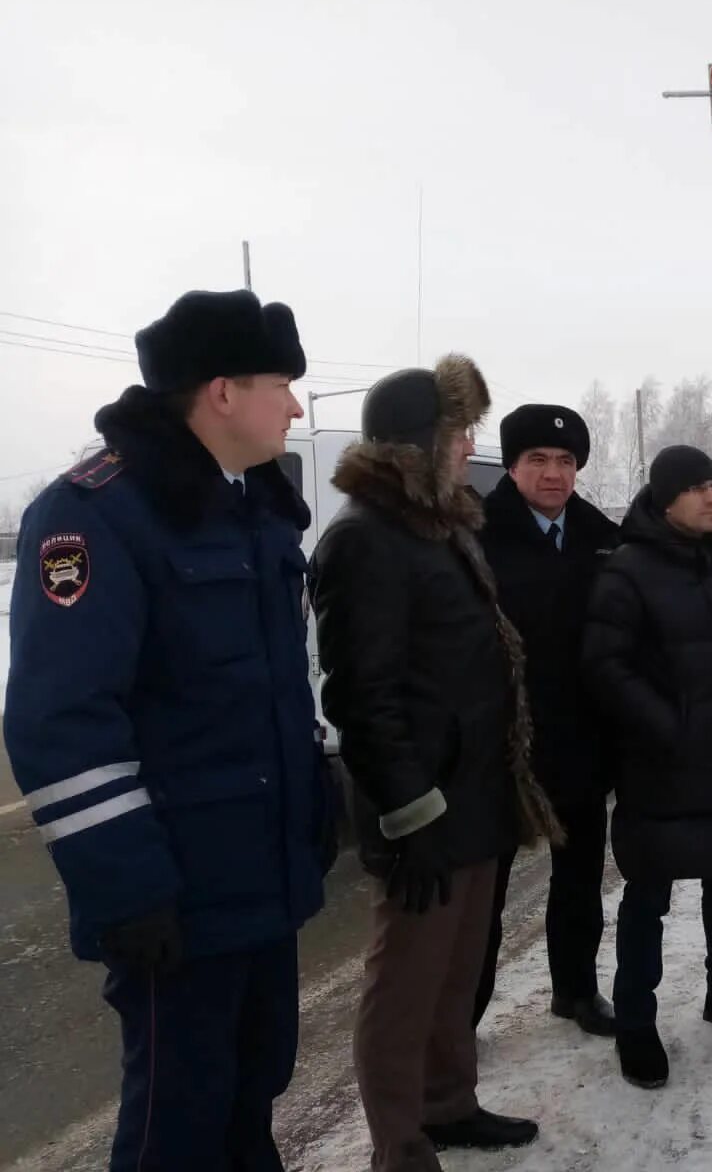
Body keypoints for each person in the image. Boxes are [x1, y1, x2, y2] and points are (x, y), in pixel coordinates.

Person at [4, 289, 333, 1170]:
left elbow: (273, 692)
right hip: (176, 901)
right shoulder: (94, 515)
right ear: (222, 391)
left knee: (252, 1096)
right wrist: (128, 890)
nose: (296, 406)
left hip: (261, 879)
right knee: (175, 1130)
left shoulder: (256, 509)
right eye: (283, 384)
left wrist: (317, 798)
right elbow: (60, 725)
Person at [309, 357, 562, 1171]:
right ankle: (399, 1144)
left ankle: (449, 1106)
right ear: (422, 442)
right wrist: (409, 814)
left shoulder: (444, 525)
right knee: (405, 987)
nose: (469, 445)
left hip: (477, 794)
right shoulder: (364, 537)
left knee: (458, 974)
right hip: (423, 810)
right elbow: (361, 696)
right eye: (459, 432)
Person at [583, 445, 712, 1089]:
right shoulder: (628, 571)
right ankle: (637, 1025)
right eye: (698, 488)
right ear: (666, 496)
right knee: (649, 896)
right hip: (662, 767)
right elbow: (604, 666)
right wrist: (668, 726)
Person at [473, 404, 621, 1036]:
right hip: (502, 742)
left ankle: (576, 990)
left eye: (565, 461)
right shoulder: (477, 535)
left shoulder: (601, 536)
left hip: (581, 738)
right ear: (512, 466)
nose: (554, 473)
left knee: (581, 877)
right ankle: (463, 1015)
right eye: (538, 460)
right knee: (487, 893)